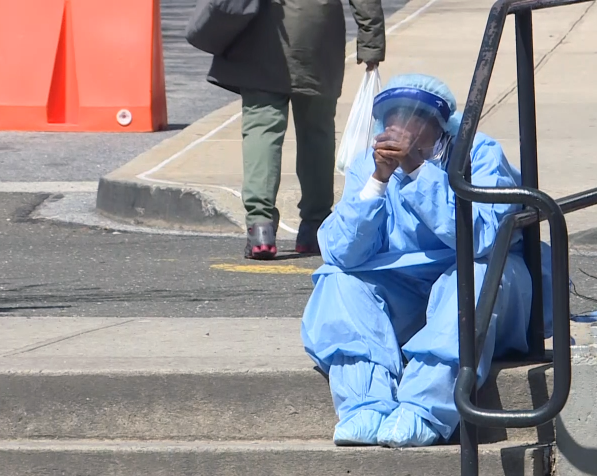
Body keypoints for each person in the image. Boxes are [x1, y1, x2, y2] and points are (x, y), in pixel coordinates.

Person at [301, 74, 554, 448]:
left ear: (439, 125)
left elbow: (483, 238)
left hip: (488, 282)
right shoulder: (365, 166)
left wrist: (418, 172)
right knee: (338, 280)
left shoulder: (479, 154)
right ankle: (366, 404)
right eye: (391, 117)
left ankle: (424, 407)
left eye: (413, 117)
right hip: (407, 288)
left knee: (471, 275)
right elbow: (343, 252)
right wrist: (378, 181)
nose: (399, 127)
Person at [205, 0, 386, 260]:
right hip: (318, 32)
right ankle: (315, 227)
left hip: (265, 31)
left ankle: (261, 227)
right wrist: (371, 42)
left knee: (262, 126)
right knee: (318, 131)